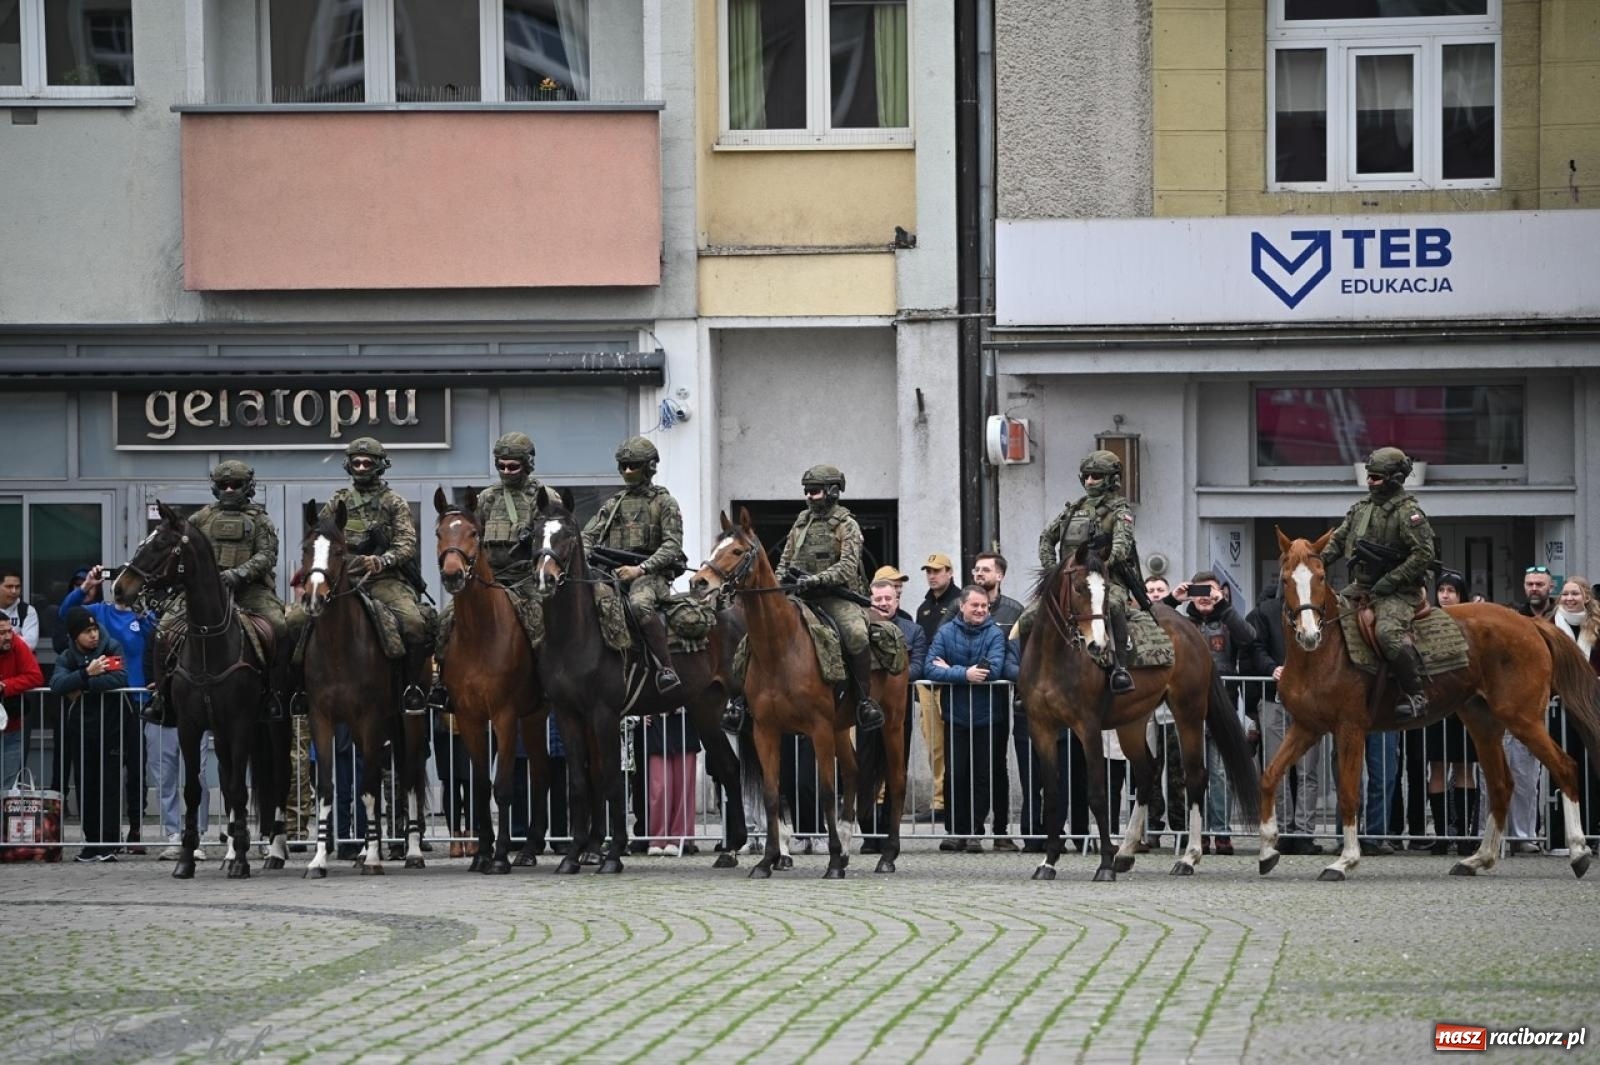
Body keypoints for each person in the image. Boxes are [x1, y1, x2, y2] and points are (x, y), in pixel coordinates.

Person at [149, 460, 287, 724]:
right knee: (163, 630)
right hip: (205, 594)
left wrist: (236, 574)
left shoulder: (260, 520)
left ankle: (274, 694)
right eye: (224, 485)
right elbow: (181, 548)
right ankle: (162, 697)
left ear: (248, 487)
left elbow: (267, 556)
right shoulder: (200, 519)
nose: (230, 489)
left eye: (236, 485)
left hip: (250, 591)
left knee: (280, 626)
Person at [314, 437, 434, 714]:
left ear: (380, 466)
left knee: (414, 624)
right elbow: (321, 537)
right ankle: (296, 689)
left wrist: (381, 560)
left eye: (367, 462)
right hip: (342, 580)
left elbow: (406, 543)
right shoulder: (337, 501)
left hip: (385, 580)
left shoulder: (394, 502)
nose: (361, 467)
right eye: (356, 462)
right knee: (296, 622)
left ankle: (412, 687)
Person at [431, 431, 546, 709]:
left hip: (524, 578)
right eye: (501, 466)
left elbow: (553, 536)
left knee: (540, 622)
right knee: (445, 621)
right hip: (489, 578)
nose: (506, 471)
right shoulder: (486, 498)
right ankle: (440, 685)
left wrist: (533, 541)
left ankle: (544, 682)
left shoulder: (542, 496)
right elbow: (470, 535)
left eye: (513, 466)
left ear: (527, 464)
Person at [1320, 446, 1436, 718]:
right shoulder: (1360, 510)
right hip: (1362, 586)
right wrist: (1313, 563)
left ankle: (1416, 693)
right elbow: (1337, 541)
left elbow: (1424, 554)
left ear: (1395, 479)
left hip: (1399, 591)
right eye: (1369, 477)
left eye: (1376, 477)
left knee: (1387, 634)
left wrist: (1391, 580)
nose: (1370, 482)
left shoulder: (1409, 512)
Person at [776, 464, 883, 732]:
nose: (809, 497)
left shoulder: (847, 525)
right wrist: (778, 583)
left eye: (815, 491)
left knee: (856, 633)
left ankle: (864, 702)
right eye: (807, 492)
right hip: (799, 596)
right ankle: (741, 701)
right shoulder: (802, 522)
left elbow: (847, 566)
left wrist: (817, 579)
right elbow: (785, 560)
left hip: (836, 597)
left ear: (833, 491)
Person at [62, 563, 159, 856]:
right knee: (106, 771)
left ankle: (136, 828)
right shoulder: (101, 613)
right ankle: (103, 834)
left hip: (137, 701)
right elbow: (66, 614)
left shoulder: (144, 617)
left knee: (137, 768)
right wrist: (86, 587)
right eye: (121, 580)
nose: (126, 587)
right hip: (106, 704)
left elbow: (158, 641)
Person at [1029, 449, 1144, 693]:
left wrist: (1099, 570)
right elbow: (1046, 539)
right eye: (1087, 476)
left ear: (1112, 479)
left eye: (1096, 476)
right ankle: (1027, 678)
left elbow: (1121, 549)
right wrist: (1054, 571)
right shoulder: (1072, 510)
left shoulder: (1119, 512)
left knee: (1112, 606)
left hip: (1106, 580)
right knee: (1030, 615)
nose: (1090, 481)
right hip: (1070, 580)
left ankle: (1120, 669)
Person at [582, 435, 686, 695]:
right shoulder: (613, 503)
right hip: (613, 572)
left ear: (649, 467)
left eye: (634, 465)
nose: (628, 471)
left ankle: (665, 668)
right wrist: (582, 554)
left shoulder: (664, 502)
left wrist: (640, 569)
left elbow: (672, 546)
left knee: (639, 605)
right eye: (624, 466)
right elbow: (587, 535)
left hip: (651, 576)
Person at [1169, 572, 1255, 855]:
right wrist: (1172, 600)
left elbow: (1248, 638)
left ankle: (1220, 832)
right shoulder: (1181, 623)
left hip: (1222, 706)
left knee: (1218, 772)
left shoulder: (1228, 621)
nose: (1205, 596)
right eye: (1200, 590)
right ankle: (1197, 832)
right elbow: (1150, 624)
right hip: (1185, 708)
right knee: (1191, 770)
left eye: (1211, 590)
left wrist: (1224, 606)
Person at [926, 586, 1008, 852]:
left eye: (984, 606)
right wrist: (964, 674)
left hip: (988, 717)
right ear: (962, 606)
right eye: (975, 606)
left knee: (982, 775)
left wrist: (952, 670)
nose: (981, 610)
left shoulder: (995, 633)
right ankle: (954, 830)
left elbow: (994, 668)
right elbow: (930, 667)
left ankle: (974, 830)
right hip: (956, 716)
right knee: (955, 774)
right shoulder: (946, 632)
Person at [1245, 580, 1324, 854]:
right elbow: (1255, 648)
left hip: (1310, 700)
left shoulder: (1317, 611)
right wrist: (1272, 668)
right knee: (1276, 767)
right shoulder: (1265, 611)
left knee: (1307, 771)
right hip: (1273, 697)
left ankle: (1303, 832)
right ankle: (1284, 830)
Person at [50, 608, 128, 861]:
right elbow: (57, 685)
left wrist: (83, 686)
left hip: (111, 729)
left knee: (109, 786)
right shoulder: (67, 656)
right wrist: (86, 673)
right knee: (86, 786)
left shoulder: (111, 647)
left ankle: (109, 843)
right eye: (87, 632)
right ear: (75, 636)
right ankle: (92, 842)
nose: (93, 635)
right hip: (81, 731)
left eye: (94, 629)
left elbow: (120, 678)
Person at [862, 575, 927, 853]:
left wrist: (891, 682)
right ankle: (869, 834)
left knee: (893, 770)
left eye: (888, 598)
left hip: (898, 710)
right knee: (865, 769)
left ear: (897, 600)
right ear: (870, 602)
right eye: (878, 599)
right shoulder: (860, 629)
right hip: (866, 710)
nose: (884, 603)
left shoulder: (913, 631)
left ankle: (891, 831)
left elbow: (919, 666)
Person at [1424, 571, 1479, 856]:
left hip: (1464, 704)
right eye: (1442, 590)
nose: (1445, 595)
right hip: (1435, 704)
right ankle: (1443, 834)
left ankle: (1467, 835)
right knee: (1436, 767)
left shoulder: (1470, 622)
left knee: (1463, 768)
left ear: (1461, 595)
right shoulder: (1427, 620)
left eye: (1452, 591)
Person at [973, 552, 1023, 850]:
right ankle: (973, 829)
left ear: (1000, 576)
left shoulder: (1014, 611)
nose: (979, 574)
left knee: (997, 767)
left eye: (986, 570)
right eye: (976, 569)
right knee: (970, 768)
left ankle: (1002, 830)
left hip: (1000, 699)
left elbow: (1019, 651)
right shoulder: (960, 606)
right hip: (966, 696)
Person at [1507, 564, 1558, 852]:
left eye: (1539, 584)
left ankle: (1550, 832)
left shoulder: (1559, 617)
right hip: (1521, 703)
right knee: (1520, 773)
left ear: (1550, 587)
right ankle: (1518, 834)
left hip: (1555, 704)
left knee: (1545, 771)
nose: (1534, 589)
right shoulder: (1517, 618)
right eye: (1530, 584)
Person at [1548, 576, 1600, 852]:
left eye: (1575, 594)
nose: (1569, 598)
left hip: (1593, 706)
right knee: (1562, 765)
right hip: (1561, 707)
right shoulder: (1549, 626)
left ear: (1586, 597)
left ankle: (1592, 833)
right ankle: (1559, 835)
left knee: (1592, 768)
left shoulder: (1597, 627)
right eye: (1565, 594)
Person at [915, 553, 961, 832]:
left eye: (937, 571)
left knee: (951, 744)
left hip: (950, 681)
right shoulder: (924, 607)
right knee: (933, 744)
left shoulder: (958, 602)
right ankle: (939, 799)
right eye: (928, 571)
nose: (932, 576)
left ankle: (948, 800)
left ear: (950, 572)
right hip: (927, 683)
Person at [0, 614, 43, 788]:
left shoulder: (17, 644)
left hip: (13, 726)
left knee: (8, 785)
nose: (8, 636)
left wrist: (5, 686)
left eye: (9, 630)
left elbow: (35, 676)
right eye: (2, 633)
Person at [0, 569, 38, 650]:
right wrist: (18, 638)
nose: (14, 591)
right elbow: (23, 643)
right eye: (9, 587)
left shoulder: (27, 610)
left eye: (17, 587)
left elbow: (30, 644)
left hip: (17, 661)